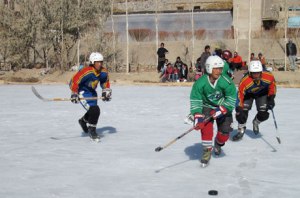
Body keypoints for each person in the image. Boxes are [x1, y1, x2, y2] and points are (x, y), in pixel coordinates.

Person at [190, 55, 236, 167]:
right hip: (206, 106)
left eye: (220, 68)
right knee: (206, 129)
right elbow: (196, 99)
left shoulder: (226, 81)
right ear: (209, 68)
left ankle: (218, 144)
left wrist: (223, 109)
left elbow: (231, 98)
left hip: (223, 107)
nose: (219, 71)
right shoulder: (200, 83)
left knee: (224, 134)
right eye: (216, 68)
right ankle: (206, 151)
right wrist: (197, 115)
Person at [69, 52, 112, 141]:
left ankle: (83, 121)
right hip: (83, 92)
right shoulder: (86, 72)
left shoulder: (103, 72)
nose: (99, 64)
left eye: (101, 62)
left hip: (92, 93)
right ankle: (92, 131)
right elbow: (74, 81)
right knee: (95, 110)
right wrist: (74, 93)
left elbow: (105, 82)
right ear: (92, 62)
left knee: (93, 110)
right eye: (97, 62)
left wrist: (106, 91)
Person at [232, 60, 276, 141]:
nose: (256, 75)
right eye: (253, 73)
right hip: (248, 95)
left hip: (262, 94)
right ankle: (241, 129)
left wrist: (271, 97)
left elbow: (272, 86)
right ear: (250, 72)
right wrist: (239, 106)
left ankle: (256, 122)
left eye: (258, 73)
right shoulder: (245, 81)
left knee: (264, 114)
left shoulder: (268, 76)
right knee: (242, 112)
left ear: (261, 72)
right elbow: (240, 94)